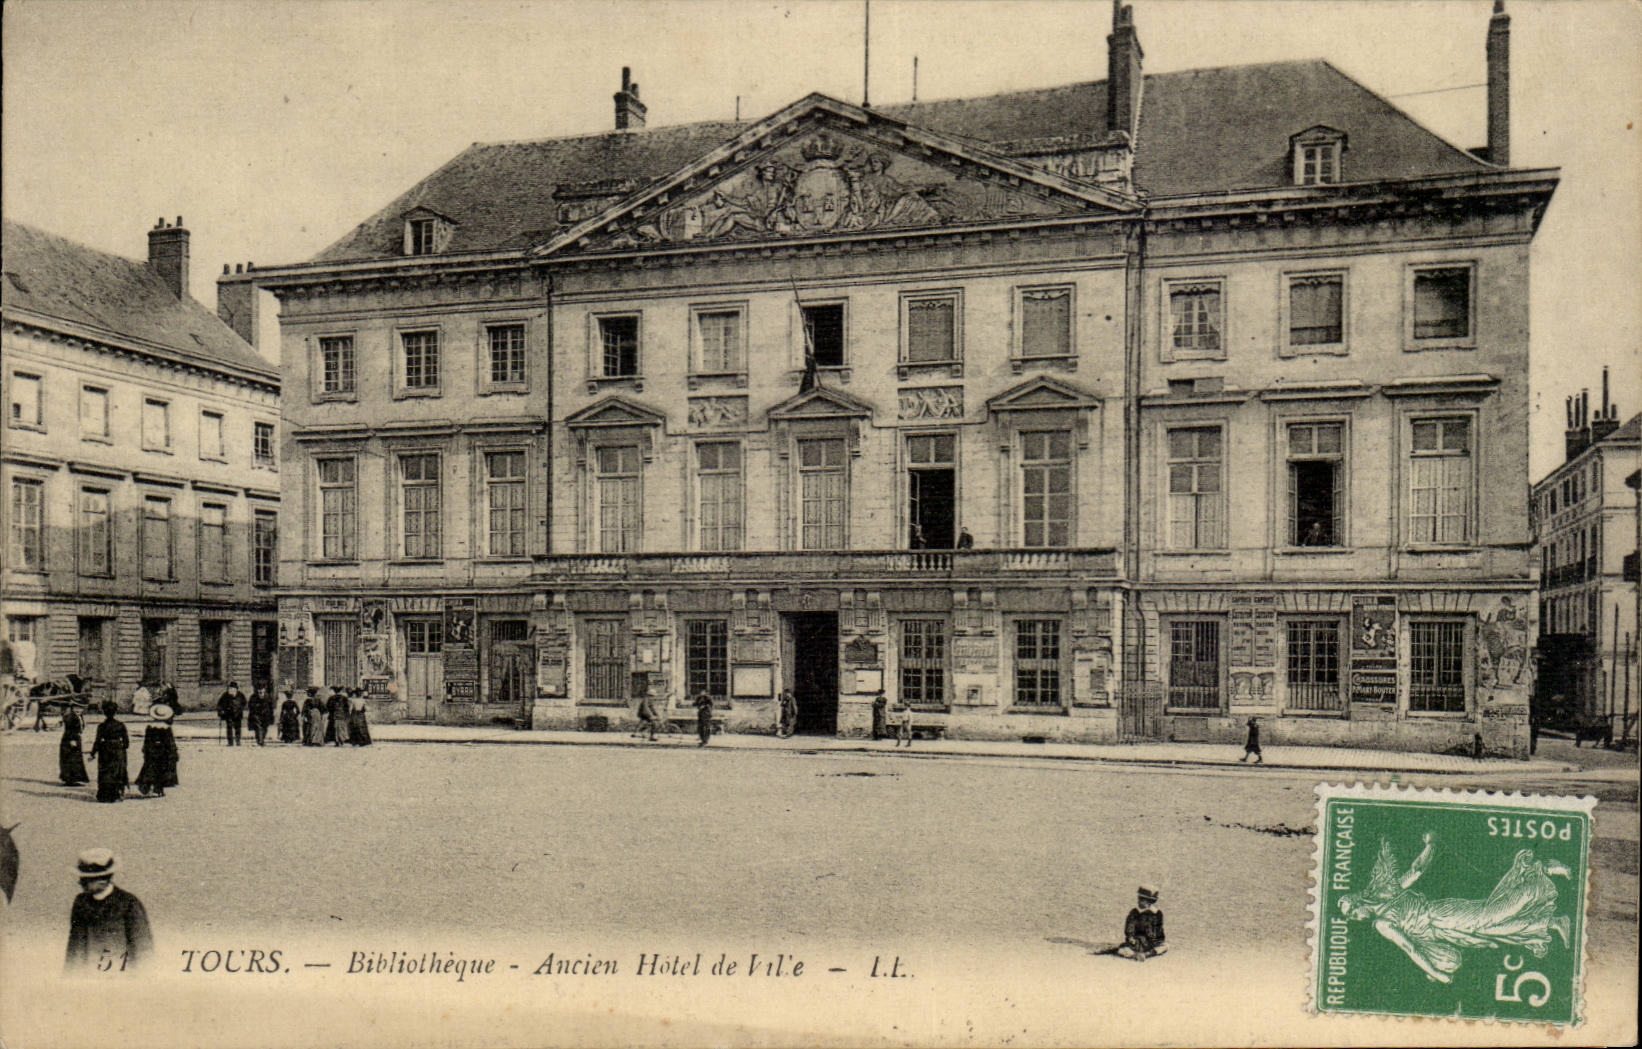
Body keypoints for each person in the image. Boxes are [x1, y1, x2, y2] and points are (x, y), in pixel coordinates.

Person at [1340, 835, 1571, 984]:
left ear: (1360, 901)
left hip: (1441, 914)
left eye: (1352, 912)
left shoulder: (1384, 913)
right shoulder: (1384, 906)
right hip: (1442, 931)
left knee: (1491, 917)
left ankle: (1543, 870)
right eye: (1350, 917)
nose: (1354, 918)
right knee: (1494, 930)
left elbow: (1409, 947)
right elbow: (1414, 945)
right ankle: (1554, 922)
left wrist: (1430, 845)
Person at [65, 848, 153, 974]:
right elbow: (74, 949)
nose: (80, 882)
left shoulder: (129, 903)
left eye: (85, 880)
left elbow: (143, 950)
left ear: (102, 880)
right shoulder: (80, 903)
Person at [87, 701, 128, 803]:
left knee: (105, 772)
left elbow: (97, 741)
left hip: (104, 749)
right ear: (115, 712)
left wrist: (92, 754)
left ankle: (104, 795)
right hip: (118, 750)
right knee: (118, 772)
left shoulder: (101, 726)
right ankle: (117, 794)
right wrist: (120, 747)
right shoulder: (121, 725)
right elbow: (126, 743)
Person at [134, 705, 179, 798]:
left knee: (150, 769)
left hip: (152, 752)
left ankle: (147, 787)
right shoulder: (167, 729)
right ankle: (158, 789)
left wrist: (145, 751)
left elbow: (146, 741)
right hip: (163, 753)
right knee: (160, 771)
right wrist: (173, 752)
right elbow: (170, 743)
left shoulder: (150, 728)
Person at [1116, 886, 1167, 960]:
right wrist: (1131, 937)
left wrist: (1156, 940)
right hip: (1136, 941)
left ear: (1149, 901)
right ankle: (1135, 955)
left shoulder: (1157, 914)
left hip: (1151, 942)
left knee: (1165, 946)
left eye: (1142, 900)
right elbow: (1129, 928)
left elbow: (1159, 931)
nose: (1139, 901)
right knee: (1122, 949)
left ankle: (1146, 954)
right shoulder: (1135, 912)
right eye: (1139, 899)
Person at [58, 701, 90, 786]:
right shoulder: (70, 717)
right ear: (72, 708)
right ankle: (70, 779)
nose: (78, 710)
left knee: (76, 758)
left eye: (80, 708)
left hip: (76, 738)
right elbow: (69, 729)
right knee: (70, 758)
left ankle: (75, 778)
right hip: (70, 739)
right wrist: (71, 740)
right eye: (76, 708)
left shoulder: (79, 716)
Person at [217, 682, 244, 746]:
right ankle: (230, 742)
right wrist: (221, 711)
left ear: (236, 689)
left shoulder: (240, 695)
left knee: (238, 728)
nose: (231, 690)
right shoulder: (225, 695)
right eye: (230, 689)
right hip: (228, 714)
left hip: (238, 714)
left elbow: (244, 702)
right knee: (229, 728)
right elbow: (219, 704)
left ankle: (238, 741)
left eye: (233, 689)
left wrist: (240, 708)